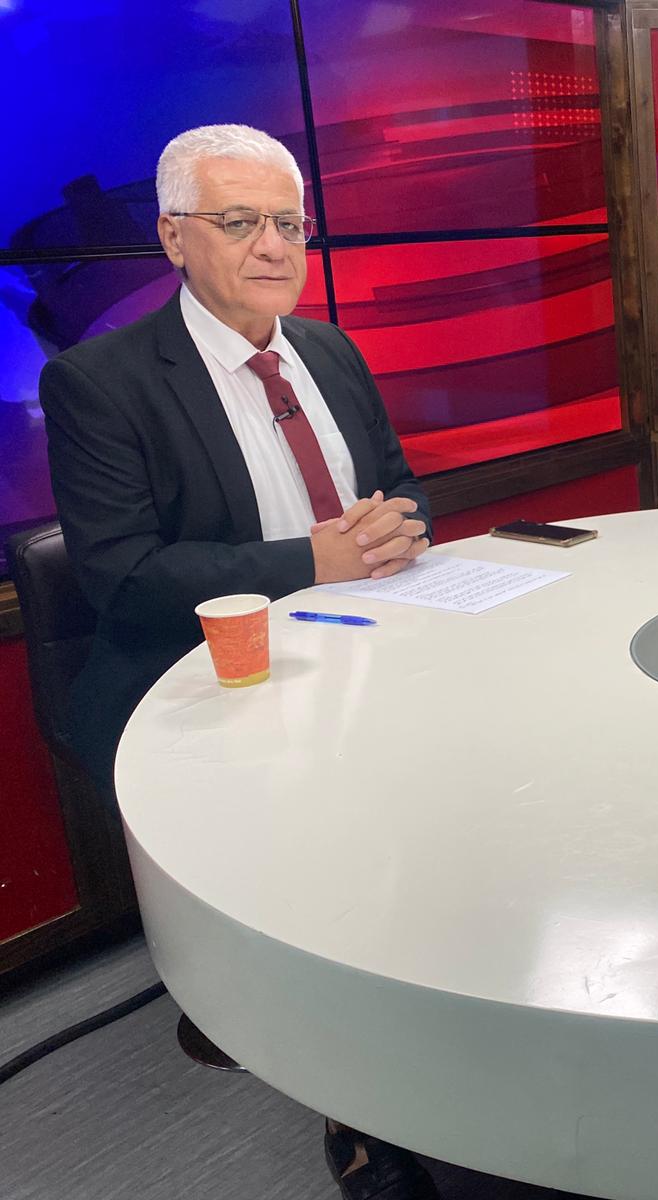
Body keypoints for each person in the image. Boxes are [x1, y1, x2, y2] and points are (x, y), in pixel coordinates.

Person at [40, 124, 437, 1200]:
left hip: (363, 645)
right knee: (333, 852)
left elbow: (401, 484)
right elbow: (122, 575)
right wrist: (312, 560)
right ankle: (361, 1107)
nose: (273, 246)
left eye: (289, 223)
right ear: (174, 237)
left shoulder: (331, 351)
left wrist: (398, 526)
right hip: (201, 672)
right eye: (239, 221)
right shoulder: (99, 381)